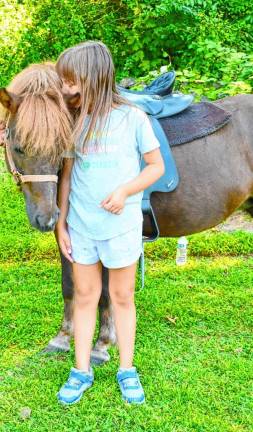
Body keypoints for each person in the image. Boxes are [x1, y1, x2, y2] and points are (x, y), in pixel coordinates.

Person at [54, 40, 165, 405]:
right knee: (85, 297)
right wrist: (61, 223)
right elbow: (68, 177)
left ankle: (126, 369)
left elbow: (155, 167)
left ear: (93, 77)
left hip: (121, 228)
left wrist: (123, 191)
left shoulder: (132, 118)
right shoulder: (75, 121)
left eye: (71, 80)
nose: (66, 88)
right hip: (83, 227)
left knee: (121, 297)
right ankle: (81, 370)